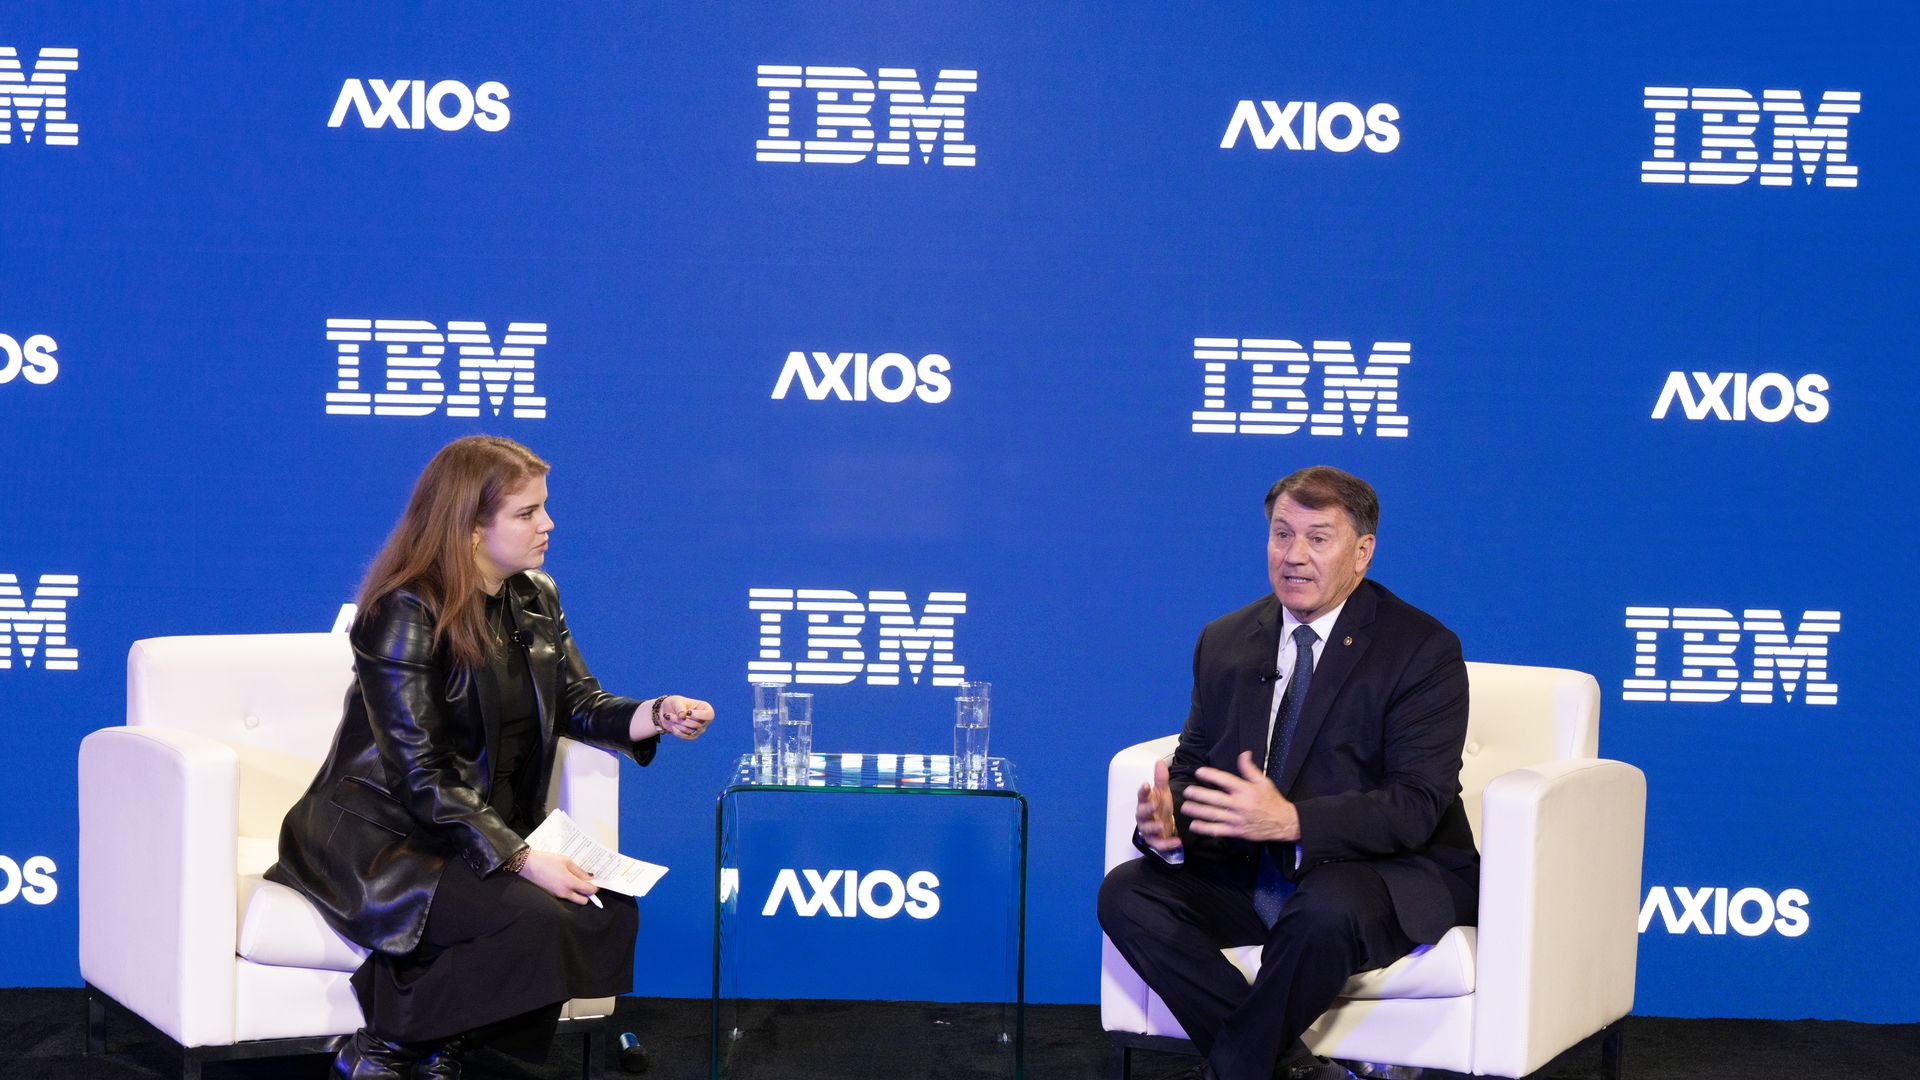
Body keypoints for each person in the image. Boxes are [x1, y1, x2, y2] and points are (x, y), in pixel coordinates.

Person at [265, 435, 715, 1079]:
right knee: (537, 922)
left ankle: (431, 1041)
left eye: (544, 508)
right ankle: (392, 1044)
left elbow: (576, 701)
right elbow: (418, 774)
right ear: (470, 529)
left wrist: (655, 713)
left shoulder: (535, 596)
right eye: (527, 513)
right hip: (390, 836)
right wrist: (525, 860)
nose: (548, 525)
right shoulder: (404, 610)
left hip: (478, 825)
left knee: (607, 913)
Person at [1097, 466, 1477, 1080]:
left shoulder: (1420, 650)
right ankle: (1294, 1071)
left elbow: (1415, 804)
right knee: (1129, 893)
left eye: (1317, 538)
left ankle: (1235, 1070)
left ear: (1362, 553)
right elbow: (1194, 767)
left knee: (1323, 908)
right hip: (1256, 874)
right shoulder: (1225, 641)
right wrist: (1170, 830)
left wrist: (1294, 821)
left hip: (1379, 874)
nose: (1293, 556)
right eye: (1281, 534)